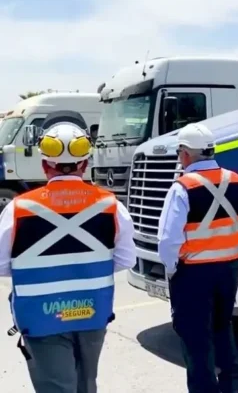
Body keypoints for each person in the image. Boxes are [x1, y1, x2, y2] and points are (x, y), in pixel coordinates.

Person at [0, 122, 136, 393]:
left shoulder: (18, 208)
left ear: (44, 165)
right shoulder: (111, 205)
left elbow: (2, 265)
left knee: (55, 387)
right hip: (92, 312)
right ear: (85, 165)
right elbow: (126, 259)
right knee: (87, 383)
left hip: (40, 317)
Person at [157, 122, 238, 393]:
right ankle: (231, 387)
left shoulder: (182, 188)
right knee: (223, 328)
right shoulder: (236, 181)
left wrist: (172, 269)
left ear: (184, 154)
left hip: (192, 273)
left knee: (196, 340)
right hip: (228, 270)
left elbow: (169, 240)